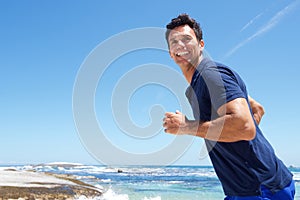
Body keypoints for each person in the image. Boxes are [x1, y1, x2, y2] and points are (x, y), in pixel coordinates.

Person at [163, 13, 295, 200]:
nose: (180, 45)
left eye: (186, 39)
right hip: (251, 187)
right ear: (170, 52)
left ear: (201, 45)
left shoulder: (212, 74)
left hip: (261, 188)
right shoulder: (193, 88)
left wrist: (186, 126)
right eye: (174, 41)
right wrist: (242, 146)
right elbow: (257, 108)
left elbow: (244, 126)